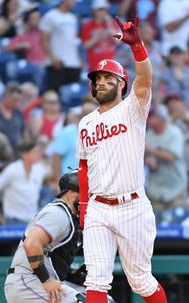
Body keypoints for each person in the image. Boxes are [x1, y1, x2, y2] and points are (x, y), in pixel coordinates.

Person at [76, 16, 167, 303]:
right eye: (97, 79)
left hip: (132, 207)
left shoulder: (133, 109)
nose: (100, 82)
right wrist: (83, 206)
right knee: (96, 281)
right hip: (98, 210)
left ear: (121, 83)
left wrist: (137, 46)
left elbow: (145, 79)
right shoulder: (85, 123)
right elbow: (83, 166)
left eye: (107, 78)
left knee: (140, 281)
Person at [4, 170, 84, 303]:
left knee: (103, 299)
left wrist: (73, 275)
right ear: (72, 194)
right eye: (86, 194)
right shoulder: (58, 213)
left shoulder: (69, 217)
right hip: (28, 280)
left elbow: (53, 258)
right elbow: (31, 243)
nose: (89, 199)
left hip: (36, 280)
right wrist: (46, 280)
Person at [0, 140, 51, 225]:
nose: (38, 155)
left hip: (33, 220)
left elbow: (52, 175)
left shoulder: (39, 168)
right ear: (25, 155)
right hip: (13, 220)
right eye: (35, 152)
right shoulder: (12, 170)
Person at [145, 104, 188, 224]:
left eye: (151, 116)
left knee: (177, 233)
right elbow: (143, 158)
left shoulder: (174, 132)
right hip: (156, 192)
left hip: (176, 191)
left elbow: (170, 156)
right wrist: (148, 160)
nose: (148, 119)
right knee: (156, 234)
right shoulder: (148, 135)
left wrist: (150, 150)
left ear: (160, 118)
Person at [39, 0, 81, 92]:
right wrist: (52, 58)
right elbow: (44, 39)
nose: (75, 3)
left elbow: (72, 41)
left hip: (73, 64)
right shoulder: (50, 16)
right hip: (57, 63)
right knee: (55, 95)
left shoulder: (72, 18)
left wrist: (78, 60)